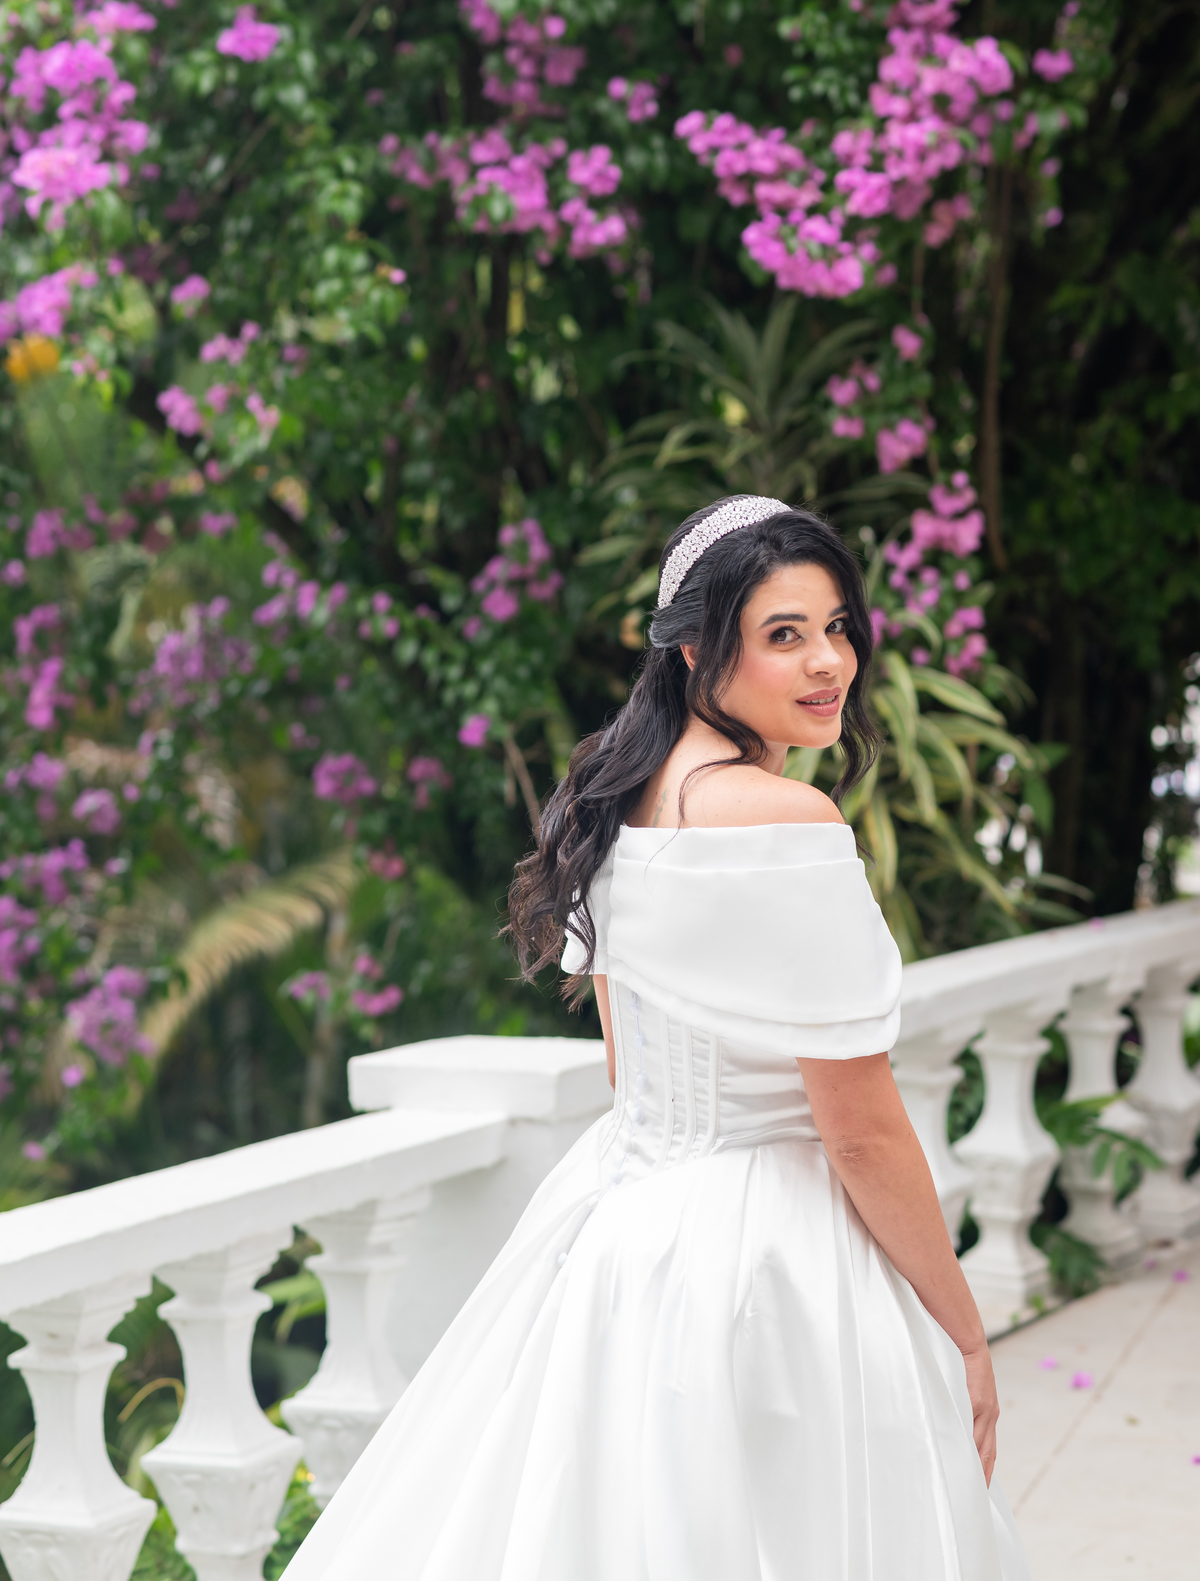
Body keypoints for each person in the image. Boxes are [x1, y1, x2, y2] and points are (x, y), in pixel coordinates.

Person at [282, 495, 1032, 1580]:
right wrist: (962, 1328)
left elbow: (623, 1064)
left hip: (625, 1231)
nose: (829, 661)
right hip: (777, 1255)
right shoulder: (789, 824)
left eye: (836, 626)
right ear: (693, 648)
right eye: (784, 634)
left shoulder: (610, 798)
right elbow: (860, 1131)